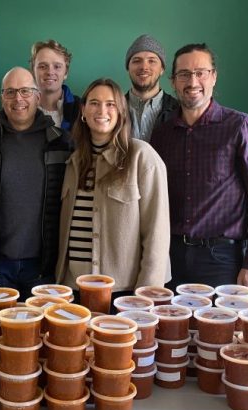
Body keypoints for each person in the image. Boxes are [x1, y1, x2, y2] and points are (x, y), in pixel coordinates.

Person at [150, 43, 248, 299]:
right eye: (184, 74)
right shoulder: (162, 134)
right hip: (169, 259)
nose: (193, 81)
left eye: (201, 72)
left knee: (220, 338)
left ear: (214, 77)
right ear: (173, 81)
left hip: (221, 261)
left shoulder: (241, 127)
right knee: (170, 337)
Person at [56, 78, 170, 298]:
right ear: (83, 110)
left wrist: (147, 294)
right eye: (94, 103)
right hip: (72, 288)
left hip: (123, 291)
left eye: (110, 104)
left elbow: (157, 233)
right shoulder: (74, 161)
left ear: (121, 112)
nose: (102, 110)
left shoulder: (141, 156)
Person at [0, 67, 71, 298]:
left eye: (25, 91)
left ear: (38, 97)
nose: (18, 99)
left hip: (44, 266)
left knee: (41, 332)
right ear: (1, 98)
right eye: (11, 92)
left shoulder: (62, 143)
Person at [124, 34, 179, 143]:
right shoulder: (113, 108)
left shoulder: (179, 110)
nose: (144, 67)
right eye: (136, 61)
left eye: (152, 61)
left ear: (162, 69)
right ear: (128, 68)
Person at [30, 40, 81, 132]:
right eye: (42, 66)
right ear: (33, 72)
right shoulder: (22, 107)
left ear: (66, 73)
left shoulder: (81, 109)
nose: (50, 72)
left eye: (57, 67)